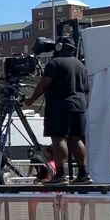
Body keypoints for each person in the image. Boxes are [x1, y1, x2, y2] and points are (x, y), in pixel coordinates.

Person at [25, 38, 90, 184]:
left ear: (60, 47)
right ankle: (83, 174)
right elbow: (86, 88)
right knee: (76, 139)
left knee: (58, 138)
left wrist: (31, 100)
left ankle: (60, 175)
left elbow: (44, 84)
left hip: (60, 106)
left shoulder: (55, 63)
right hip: (79, 106)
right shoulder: (81, 65)